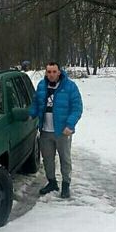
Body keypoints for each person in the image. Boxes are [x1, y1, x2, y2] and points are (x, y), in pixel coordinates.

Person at [29, 62, 83, 198]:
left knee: (65, 159)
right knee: (47, 159)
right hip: (45, 131)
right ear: (46, 73)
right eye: (49, 71)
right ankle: (52, 182)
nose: (51, 74)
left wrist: (70, 125)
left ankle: (66, 185)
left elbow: (77, 108)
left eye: (54, 71)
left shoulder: (69, 86)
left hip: (62, 131)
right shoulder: (42, 86)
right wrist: (31, 114)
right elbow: (36, 103)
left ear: (59, 72)